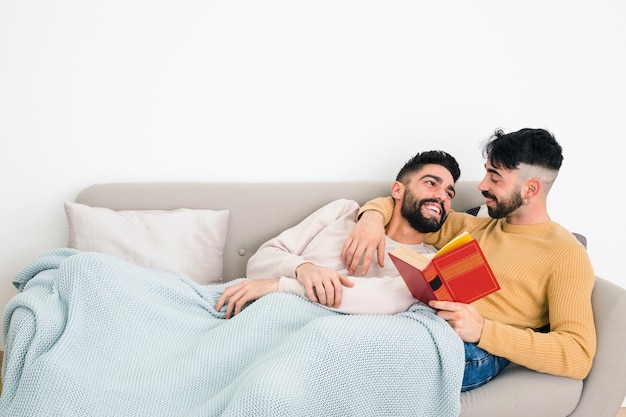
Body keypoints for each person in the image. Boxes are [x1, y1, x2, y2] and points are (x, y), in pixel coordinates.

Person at [215, 149, 512, 391]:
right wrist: (304, 269)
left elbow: (383, 301)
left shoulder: (426, 261)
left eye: (450, 193)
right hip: (256, 316)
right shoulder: (343, 212)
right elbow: (259, 261)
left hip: (317, 342)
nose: (443, 197)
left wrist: (279, 285)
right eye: (431, 183)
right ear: (397, 189)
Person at [341, 128, 596, 383]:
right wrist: (372, 216)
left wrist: (484, 330)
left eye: (495, 178)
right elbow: (412, 207)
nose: (482, 185)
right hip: (426, 324)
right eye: (486, 172)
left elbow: (579, 354)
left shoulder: (565, 253)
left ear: (530, 190)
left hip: (474, 349)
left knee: (352, 357)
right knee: (335, 336)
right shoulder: (475, 226)